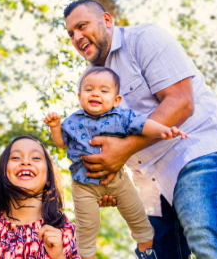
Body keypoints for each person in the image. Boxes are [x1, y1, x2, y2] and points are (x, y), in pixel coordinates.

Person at [62, 0, 217, 259]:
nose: (77, 37)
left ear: (106, 20)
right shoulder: (92, 82)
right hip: (148, 178)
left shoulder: (144, 39)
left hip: (191, 150)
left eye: (82, 26)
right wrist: (103, 184)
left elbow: (181, 102)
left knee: (208, 242)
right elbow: (106, 146)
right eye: (71, 33)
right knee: (157, 254)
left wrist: (124, 149)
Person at [44, 67, 187, 259]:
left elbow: (144, 124)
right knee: (87, 226)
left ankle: (148, 249)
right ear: (79, 96)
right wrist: (55, 127)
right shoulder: (73, 121)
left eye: (104, 91)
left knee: (136, 215)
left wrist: (163, 130)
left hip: (118, 181)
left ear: (116, 100)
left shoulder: (122, 117)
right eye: (89, 89)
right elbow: (61, 142)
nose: (95, 93)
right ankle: (87, 255)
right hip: (84, 185)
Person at [0, 136, 80, 259]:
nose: (26, 162)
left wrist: (59, 257)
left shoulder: (69, 232)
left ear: (49, 177)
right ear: (3, 172)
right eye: (16, 157)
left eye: (36, 158)